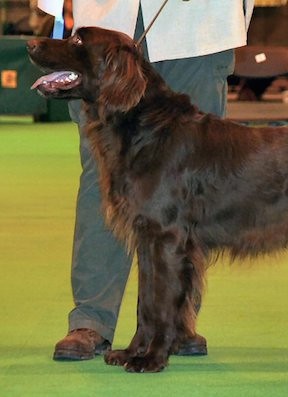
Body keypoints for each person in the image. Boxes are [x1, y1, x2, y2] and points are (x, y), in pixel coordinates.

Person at [52, 0, 254, 361]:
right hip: (105, 16)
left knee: (194, 179)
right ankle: (92, 320)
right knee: (104, 181)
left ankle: (176, 321)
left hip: (199, 30)